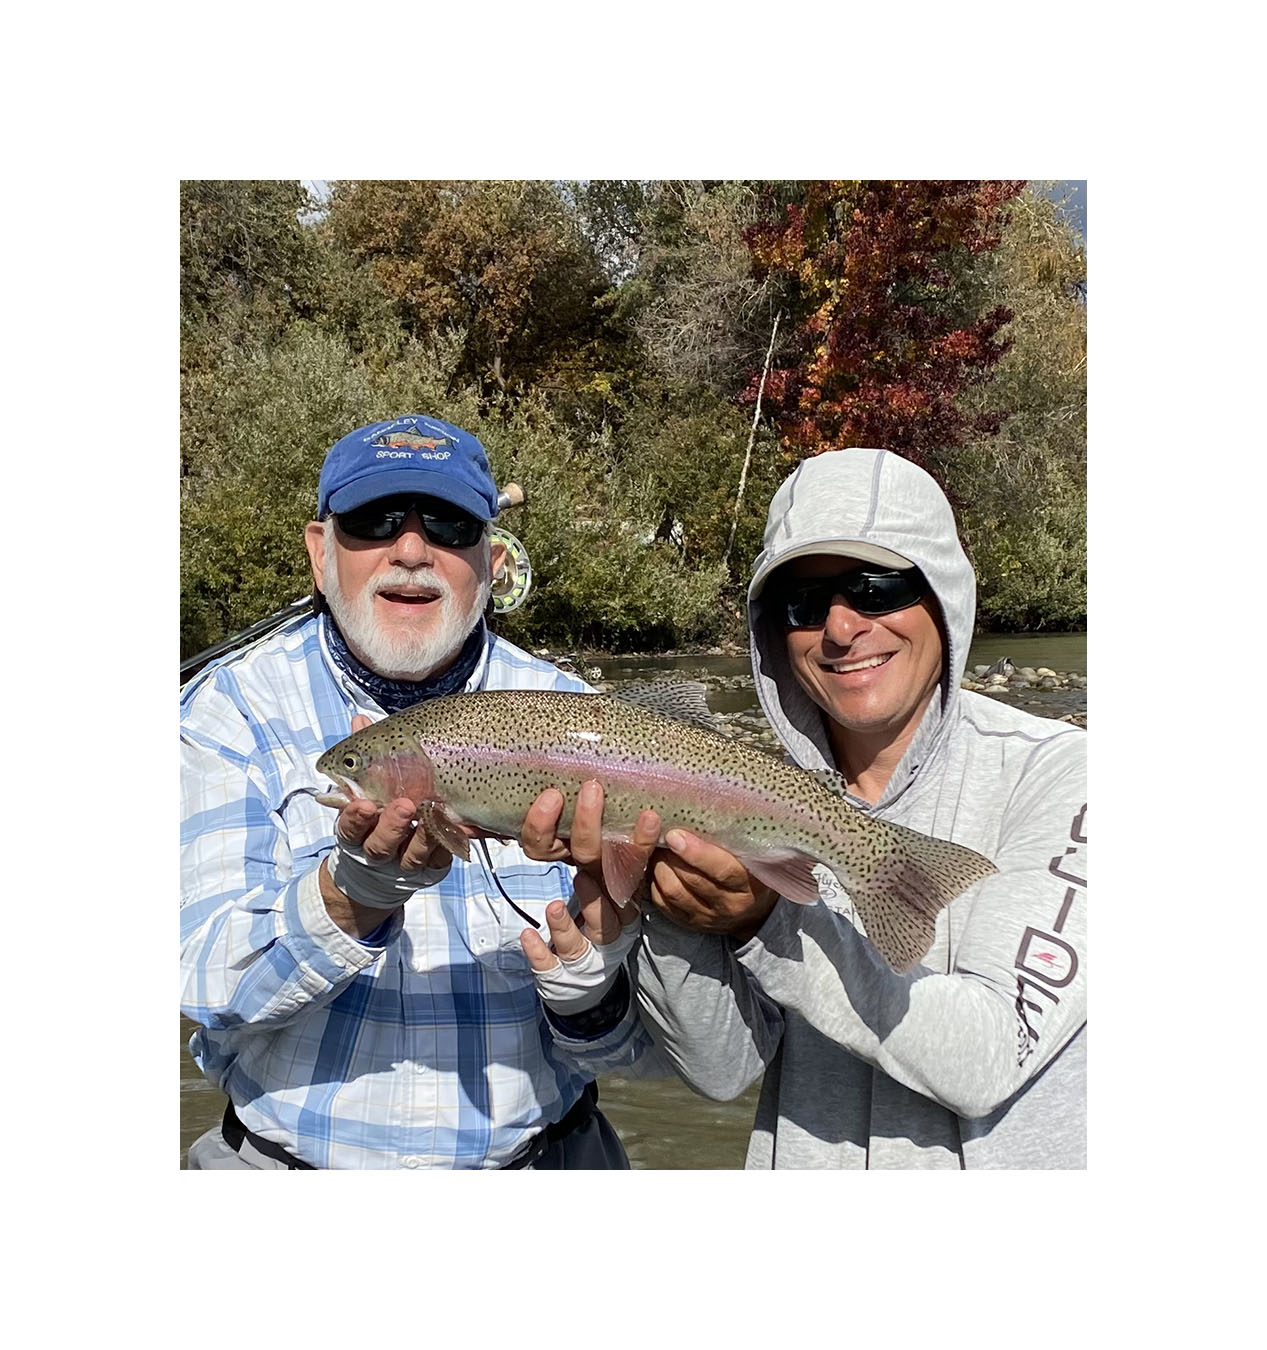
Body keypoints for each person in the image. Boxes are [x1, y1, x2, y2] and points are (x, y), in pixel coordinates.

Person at [521, 448, 1086, 1168]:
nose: (843, 628)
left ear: (945, 597)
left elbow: (985, 1057)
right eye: (805, 605)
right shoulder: (736, 790)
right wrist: (665, 908)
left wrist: (767, 918)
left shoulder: (1063, 773)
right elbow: (721, 1072)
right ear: (770, 631)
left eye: (876, 588)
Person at [180, 414, 657, 1169]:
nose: (410, 549)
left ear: (492, 560)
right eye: (373, 521)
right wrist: (347, 900)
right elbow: (200, 986)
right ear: (319, 551)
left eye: (447, 523)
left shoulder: (579, 716)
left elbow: (648, 1059)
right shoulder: (225, 713)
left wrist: (593, 993)